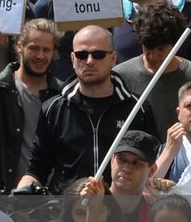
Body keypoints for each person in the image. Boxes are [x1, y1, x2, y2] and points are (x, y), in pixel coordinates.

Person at [17, 25, 159, 192]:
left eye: (98, 55)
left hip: (118, 210)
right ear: (72, 59)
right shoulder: (54, 108)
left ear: (113, 58)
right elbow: (37, 170)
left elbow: (152, 163)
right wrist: (21, 196)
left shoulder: (137, 108)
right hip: (66, 211)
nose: (89, 61)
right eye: (82, 55)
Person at [0, 20, 61, 193]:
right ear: (19, 47)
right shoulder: (1, 88)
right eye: (34, 48)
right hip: (2, 193)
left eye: (46, 50)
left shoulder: (61, 95)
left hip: (47, 195)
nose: (40, 56)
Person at [114, 2, 191, 121]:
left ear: (175, 44)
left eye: (161, 49)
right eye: (148, 47)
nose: (154, 55)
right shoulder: (120, 76)